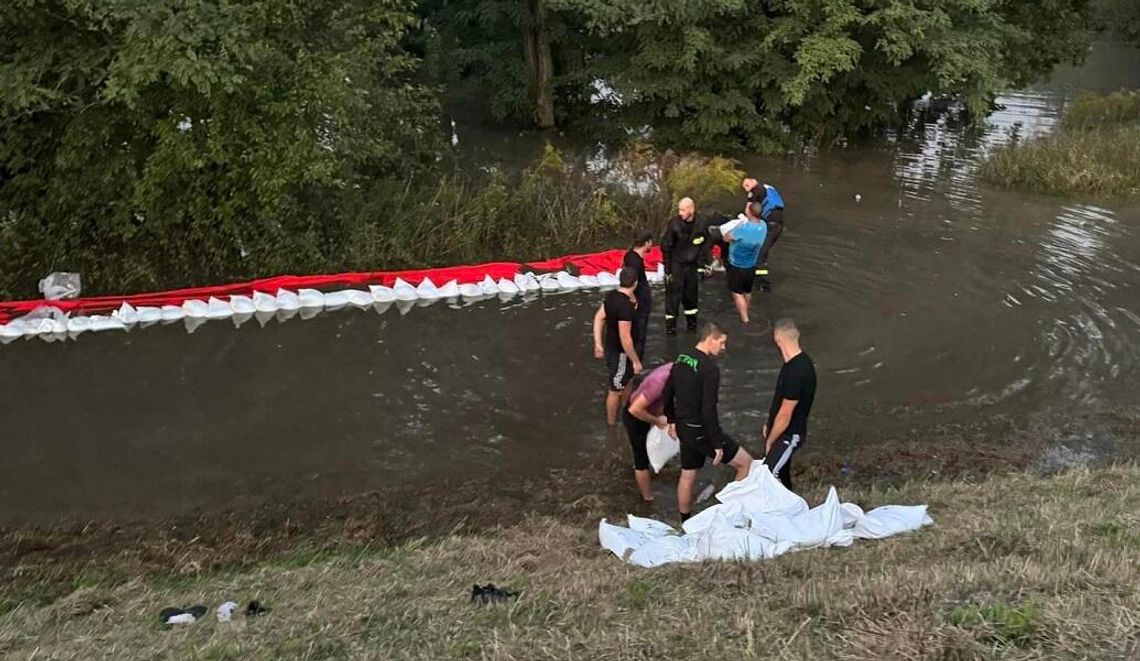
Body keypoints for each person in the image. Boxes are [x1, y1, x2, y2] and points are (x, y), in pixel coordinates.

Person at [663, 322, 754, 522]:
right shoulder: (709, 369)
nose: (723, 348)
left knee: (687, 475)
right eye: (721, 343)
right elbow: (708, 409)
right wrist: (716, 443)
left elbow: (667, 392)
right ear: (710, 338)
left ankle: (685, 522)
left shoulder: (681, 359)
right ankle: (726, 516)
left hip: (684, 428)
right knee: (746, 464)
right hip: (701, 430)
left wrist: (671, 419)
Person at [762, 318, 817, 492]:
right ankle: (792, 509)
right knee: (782, 474)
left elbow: (786, 414)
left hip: (790, 434)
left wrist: (770, 440)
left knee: (769, 475)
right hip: (781, 430)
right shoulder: (793, 364)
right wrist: (769, 423)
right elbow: (780, 400)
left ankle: (781, 514)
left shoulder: (797, 371)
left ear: (778, 338)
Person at [593, 267, 644, 425]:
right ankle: (612, 425)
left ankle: (626, 412)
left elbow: (599, 317)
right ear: (635, 282)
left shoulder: (612, 296)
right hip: (621, 353)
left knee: (627, 380)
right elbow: (625, 338)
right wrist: (635, 360)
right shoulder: (625, 307)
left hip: (613, 347)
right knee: (615, 389)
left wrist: (598, 343)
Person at [622, 363, 674, 501]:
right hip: (635, 416)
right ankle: (648, 498)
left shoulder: (675, 370)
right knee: (641, 459)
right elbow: (634, 410)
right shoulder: (660, 380)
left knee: (651, 445)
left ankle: (650, 466)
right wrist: (657, 421)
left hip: (648, 410)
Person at [660, 197, 707, 335]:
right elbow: (666, 247)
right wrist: (667, 270)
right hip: (676, 266)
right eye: (679, 209)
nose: (680, 213)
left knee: (691, 297)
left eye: (683, 210)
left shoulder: (701, 223)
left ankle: (692, 326)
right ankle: (671, 329)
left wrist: (703, 264)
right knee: (673, 298)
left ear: (691, 210)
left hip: (691, 266)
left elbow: (706, 243)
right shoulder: (674, 225)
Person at [723, 201, 768, 324]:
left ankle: (745, 319)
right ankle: (746, 309)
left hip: (737, 264)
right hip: (751, 264)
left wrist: (737, 226)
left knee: (737, 293)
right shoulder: (763, 225)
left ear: (751, 213)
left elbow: (726, 237)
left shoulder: (743, 229)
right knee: (747, 291)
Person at [742, 177, 786, 292]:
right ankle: (759, 280)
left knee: (759, 255)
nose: (746, 190)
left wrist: (743, 221)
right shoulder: (768, 187)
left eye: (746, 186)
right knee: (762, 251)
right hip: (778, 223)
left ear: (752, 182)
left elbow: (748, 210)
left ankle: (762, 284)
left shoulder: (755, 190)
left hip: (770, 224)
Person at [623, 229, 654, 359]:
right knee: (639, 337)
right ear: (646, 243)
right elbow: (631, 282)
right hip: (639, 305)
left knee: (636, 336)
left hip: (640, 302)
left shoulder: (630, 256)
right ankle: (636, 366)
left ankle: (633, 363)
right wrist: (633, 300)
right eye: (651, 242)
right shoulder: (634, 261)